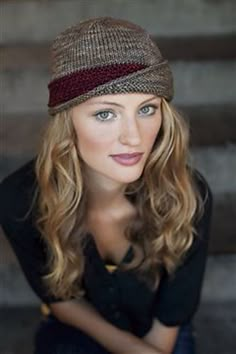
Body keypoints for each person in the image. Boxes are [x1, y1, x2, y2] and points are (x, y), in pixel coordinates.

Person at [0, 17, 213, 354]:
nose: (133, 137)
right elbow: (61, 301)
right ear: (67, 122)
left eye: (146, 109)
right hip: (76, 329)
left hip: (158, 329)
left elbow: (172, 314)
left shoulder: (188, 192)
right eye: (105, 114)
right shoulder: (18, 198)